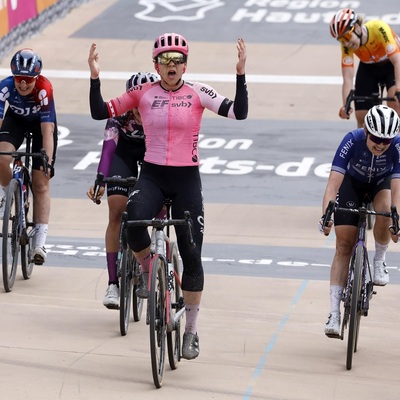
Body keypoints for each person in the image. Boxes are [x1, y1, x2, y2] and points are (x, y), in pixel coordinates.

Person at [88, 33, 248, 359]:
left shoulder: (198, 91)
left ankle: (191, 331)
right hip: (152, 176)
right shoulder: (143, 93)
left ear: (185, 64)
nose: (171, 66)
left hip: (187, 179)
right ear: (156, 65)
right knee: (131, 223)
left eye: (177, 60)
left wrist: (240, 74)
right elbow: (99, 111)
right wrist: (94, 76)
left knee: (192, 257)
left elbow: (239, 113)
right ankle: (149, 271)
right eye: (165, 60)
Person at [320, 105, 400, 338]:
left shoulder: (396, 146)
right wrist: (326, 217)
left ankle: (379, 259)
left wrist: (397, 220)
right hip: (351, 185)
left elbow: (397, 191)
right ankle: (334, 312)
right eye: (376, 138)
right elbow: (332, 185)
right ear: (366, 131)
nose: (380, 144)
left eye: (386, 140)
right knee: (344, 245)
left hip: (380, 185)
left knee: (386, 209)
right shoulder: (351, 140)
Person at [86, 72, 158, 309]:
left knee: (158, 201)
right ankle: (113, 283)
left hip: (152, 154)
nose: (139, 108)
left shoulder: (161, 115)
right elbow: (108, 151)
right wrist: (100, 179)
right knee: (116, 209)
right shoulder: (118, 115)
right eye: (134, 103)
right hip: (124, 153)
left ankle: (154, 247)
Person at [0, 48, 57, 265]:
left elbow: (47, 131)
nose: (23, 84)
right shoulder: (4, 88)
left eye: (27, 79)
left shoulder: (44, 89)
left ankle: (39, 243)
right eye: (18, 79)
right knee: (2, 156)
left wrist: (47, 162)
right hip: (15, 120)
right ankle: (7, 194)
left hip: (40, 125)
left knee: (41, 181)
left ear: (36, 77)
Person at [329, 8, 400, 127]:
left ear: (356, 27)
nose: (346, 43)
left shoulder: (378, 27)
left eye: (346, 37)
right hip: (369, 67)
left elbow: (397, 60)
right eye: (341, 40)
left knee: (395, 107)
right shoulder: (347, 47)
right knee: (362, 117)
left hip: (391, 64)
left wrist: (398, 89)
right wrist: (346, 105)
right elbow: (347, 76)